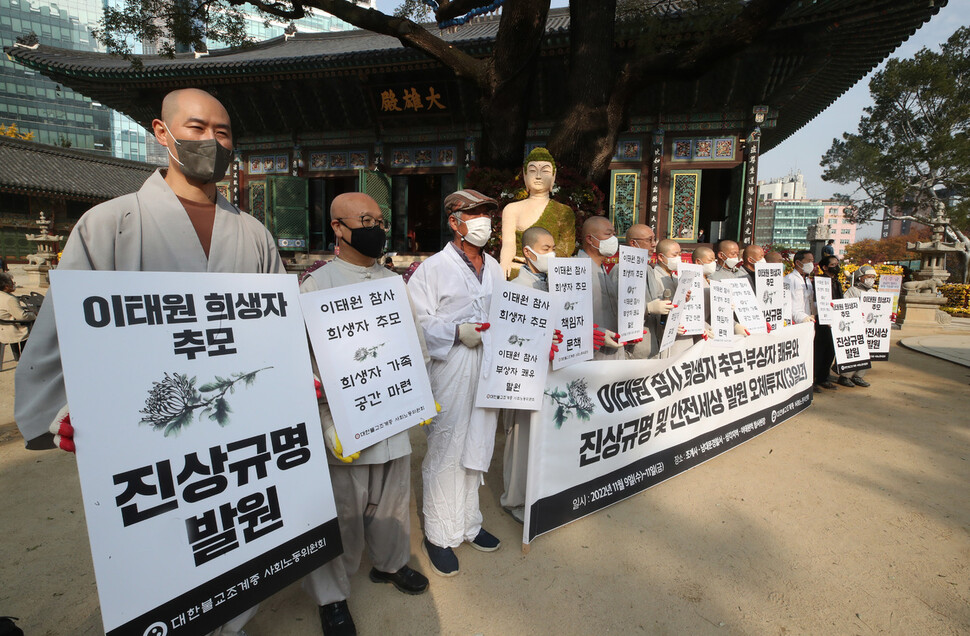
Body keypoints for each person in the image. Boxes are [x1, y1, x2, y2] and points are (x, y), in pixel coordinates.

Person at [14, 88, 284, 636]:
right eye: (197, 127)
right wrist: (68, 408)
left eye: (224, 131)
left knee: (233, 541)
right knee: (161, 557)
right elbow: (66, 331)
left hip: (235, 428)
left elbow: (277, 332)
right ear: (162, 134)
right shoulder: (109, 224)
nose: (212, 140)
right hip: (152, 433)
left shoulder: (254, 235)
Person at [300, 193, 429, 636]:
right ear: (338, 227)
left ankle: (391, 564)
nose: (376, 227)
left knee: (393, 502)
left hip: (393, 415)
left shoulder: (394, 283)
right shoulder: (317, 287)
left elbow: (414, 343)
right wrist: (327, 423)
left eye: (379, 219)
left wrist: (420, 395)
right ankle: (332, 599)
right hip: (347, 427)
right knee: (342, 513)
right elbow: (306, 366)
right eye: (365, 220)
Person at [407, 189, 503, 577]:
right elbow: (415, 321)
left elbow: (509, 311)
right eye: (476, 214)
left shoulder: (494, 266)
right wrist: (454, 331)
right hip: (451, 365)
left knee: (480, 439)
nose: (484, 221)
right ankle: (438, 532)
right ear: (455, 221)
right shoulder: (432, 268)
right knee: (447, 444)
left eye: (487, 215)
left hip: (490, 364)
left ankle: (468, 524)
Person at [501, 226, 555, 523]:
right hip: (524, 375)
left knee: (543, 434)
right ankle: (514, 499)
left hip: (551, 373)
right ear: (528, 252)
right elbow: (511, 337)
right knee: (520, 436)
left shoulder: (555, 285)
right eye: (546, 249)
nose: (553, 253)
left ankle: (538, 492)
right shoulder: (516, 288)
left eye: (553, 247)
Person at [499, 147, 576, 278]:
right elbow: (508, 243)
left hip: (551, 273)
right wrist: (504, 263)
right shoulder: (512, 209)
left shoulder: (563, 211)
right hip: (519, 271)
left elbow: (566, 248)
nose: (538, 176)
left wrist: (546, 264)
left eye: (545, 171)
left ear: (553, 176)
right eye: (532, 171)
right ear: (525, 175)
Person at [578, 216, 626, 360]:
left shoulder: (603, 269)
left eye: (613, 234)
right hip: (590, 355)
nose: (613, 239)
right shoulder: (576, 271)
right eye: (608, 234)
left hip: (613, 352)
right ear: (590, 239)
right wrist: (591, 332)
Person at [625, 224, 671, 359]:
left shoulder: (648, 269)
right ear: (633, 243)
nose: (653, 244)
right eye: (649, 240)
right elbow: (618, 307)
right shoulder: (621, 269)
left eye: (654, 240)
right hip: (635, 346)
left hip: (653, 340)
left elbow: (656, 297)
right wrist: (647, 308)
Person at [836, 264, 875, 388]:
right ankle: (845, 376)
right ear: (860, 278)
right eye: (868, 277)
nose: (871, 279)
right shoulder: (852, 291)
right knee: (853, 351)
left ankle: (859, 376)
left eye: (873, 277)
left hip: (868, 327)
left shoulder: (874, 292)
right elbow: (844, 305)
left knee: (866, 352)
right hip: (855, 325)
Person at [814, 254, 843, 391]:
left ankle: (824, 378)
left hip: (836, 320)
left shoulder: (837, 282)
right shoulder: (819, 281)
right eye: (833, 264)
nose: (836, 267)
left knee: (831, 350)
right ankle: (814, 380)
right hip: (822, 321)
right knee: (819, 351)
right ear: (824, 267)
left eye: (837, 264)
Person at [0, 272, 34, 360]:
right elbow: (22, 316)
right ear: (6, 286)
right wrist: (34, 315)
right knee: (32, 324)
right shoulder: (10, 299)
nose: (14, 285)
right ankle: (25, 357)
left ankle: (17, 356)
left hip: (2, 326)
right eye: (12, 283)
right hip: (11, 328)